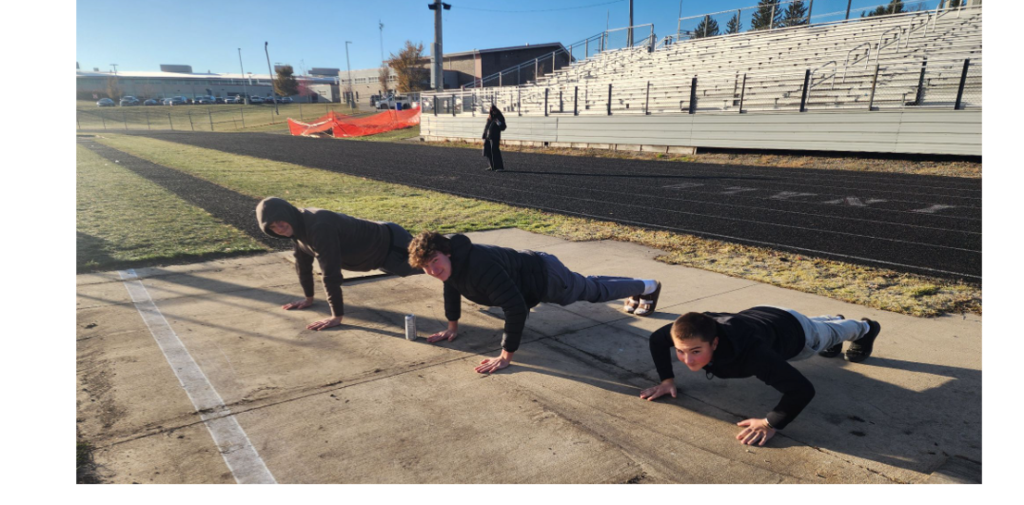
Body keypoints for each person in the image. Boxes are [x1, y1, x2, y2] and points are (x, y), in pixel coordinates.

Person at [408, 231, 662, 373]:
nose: (432, 270)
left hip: (545, 276)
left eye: (435, 261)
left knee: (592, 291)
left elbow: (515, 308)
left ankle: (648, 286)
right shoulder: (451, 266)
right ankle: (635, 284)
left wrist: (506, 356)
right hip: (531, 274)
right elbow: (451, 288)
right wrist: (452, 327)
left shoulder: (479, 267)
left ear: (447, 252)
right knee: (588, 284)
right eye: (425, 267)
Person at [639, 307, 882, 446]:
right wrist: (666, 380)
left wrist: (769, 423)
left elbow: (801, 390)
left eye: (695, 352)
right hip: (767, 317)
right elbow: (656, 340)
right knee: (824, 327)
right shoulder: (688, 329)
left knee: (830, 333)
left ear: (714, 342)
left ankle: (866, 328)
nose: (688, 360)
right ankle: (832, 321)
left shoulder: (753, 354)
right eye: (680, 351)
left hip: (799, 336)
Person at [255, 197, 422, 330]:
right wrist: (308, 298)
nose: (280, 228)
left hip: (392, 243)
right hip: (378, 255)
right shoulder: (297, 231)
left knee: (432, 263)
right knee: (424, 264)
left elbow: (330, 272)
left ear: (288, 214)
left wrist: (336, 316)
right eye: (272, 227)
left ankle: (448, 244)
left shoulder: (319, 226)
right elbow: (303, 264)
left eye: (280, 221)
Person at [482, 104, 507, 172]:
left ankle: (499, 167)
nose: (492, 112)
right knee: (488, 152)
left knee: (495, 151)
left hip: (495, 137)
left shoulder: (499, 117)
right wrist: (484, 135)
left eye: (493, 111)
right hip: (488, 137)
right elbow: (486, 127)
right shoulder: (490, 118)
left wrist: (499, 123)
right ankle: (492, 166)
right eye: (491, 111)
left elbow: (503, 127)